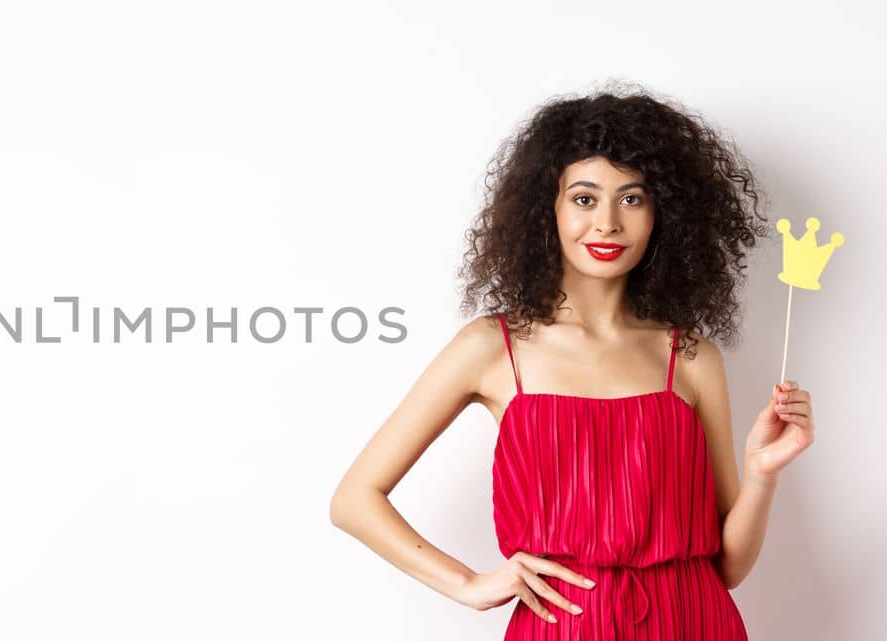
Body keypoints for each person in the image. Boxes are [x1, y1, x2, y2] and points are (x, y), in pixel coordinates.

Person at [327, 84, 818, 640]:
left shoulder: (691, 355)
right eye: (585, 198)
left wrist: (761, 474)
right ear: (549, 209)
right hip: (563, 628)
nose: (608, 222)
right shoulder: (493, 347)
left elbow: (729, 569)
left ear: (665, 214)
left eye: (632, 199)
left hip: (694, 623)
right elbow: (354, 500)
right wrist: (468, 585)